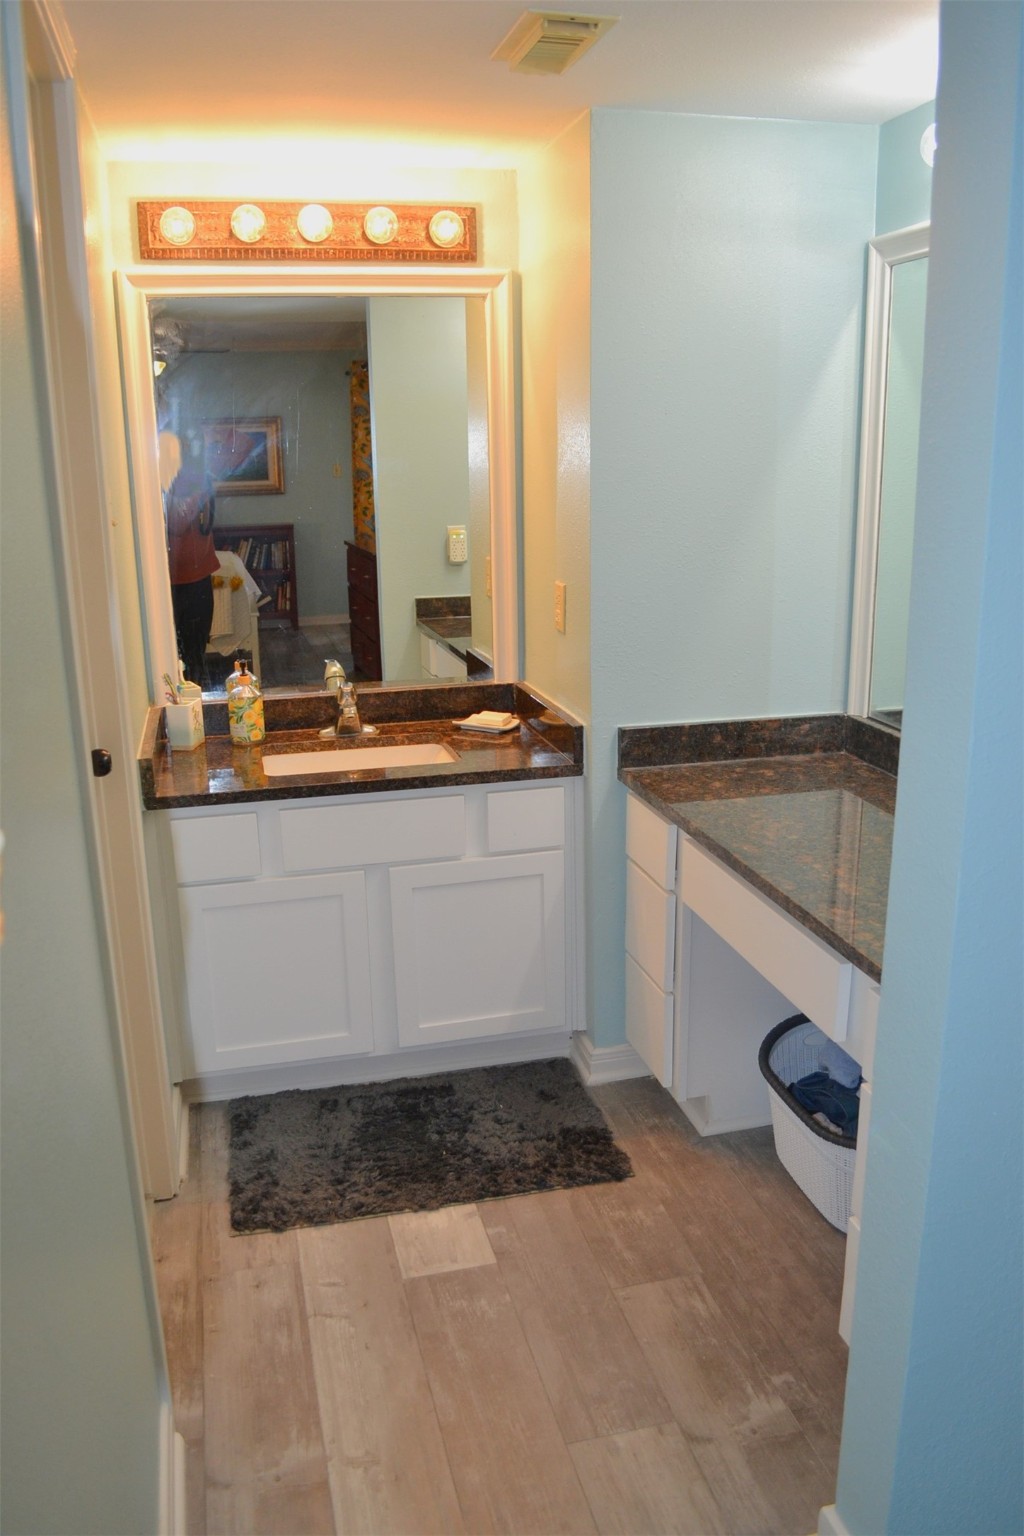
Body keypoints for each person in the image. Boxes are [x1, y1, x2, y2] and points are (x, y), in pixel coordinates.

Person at [165, 428, 218, 686]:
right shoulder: (165, 482)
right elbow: (176, 522)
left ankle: (198, 708)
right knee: (174, 660)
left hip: (196, 579)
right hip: (174, 582)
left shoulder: (195, 480)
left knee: (195, 657)